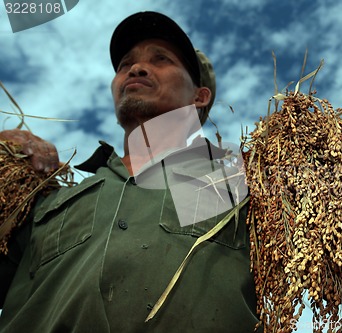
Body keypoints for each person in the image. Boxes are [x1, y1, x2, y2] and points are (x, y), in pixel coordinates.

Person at [0, 11, 261, 333]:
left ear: (199, 97)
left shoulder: (243, 183)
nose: (136, 68)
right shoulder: (47, 201)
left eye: (161, 59)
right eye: (125, 64)